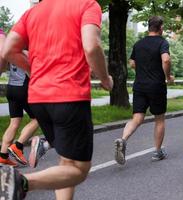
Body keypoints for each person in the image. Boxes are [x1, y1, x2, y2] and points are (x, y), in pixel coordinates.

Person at [0, 0, 113, 199]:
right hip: (69, 96)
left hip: (38, 97)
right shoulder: (86, 5)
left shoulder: (33, 12)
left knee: (66, 163)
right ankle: (18, 181)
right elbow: (92, 46)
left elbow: (8, 50)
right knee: (78, 170)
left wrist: (33, 70)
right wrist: (105, 78)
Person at [114, 16, 174, 165]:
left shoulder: (139, 44)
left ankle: (123, 139)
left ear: (149, 27)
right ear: (160, 28)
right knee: (159, 119)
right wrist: (168, 76)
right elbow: (166, 60)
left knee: (137, 118)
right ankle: (158, 152)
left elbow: (132, 63)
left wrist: (143, 68)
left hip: (140, 85)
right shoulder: (162, 42)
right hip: (156, 86)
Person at [0, 28, 49, 168]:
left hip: (11, 88)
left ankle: (3, 156)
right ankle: (18, 146)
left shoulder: (12, 51)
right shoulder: (28, 52)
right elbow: (32, 72)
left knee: (14, 122)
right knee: (39, 118)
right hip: (24, 89)